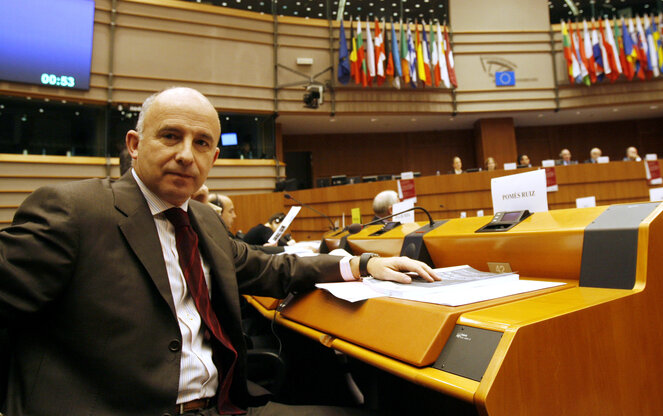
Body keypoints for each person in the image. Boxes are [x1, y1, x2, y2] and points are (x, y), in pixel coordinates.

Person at [0, 87, 438, 416]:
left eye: (202, 143)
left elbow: (271, 268)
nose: (186, 156)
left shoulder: (203, 219)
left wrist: (364, 262)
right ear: (134, 145)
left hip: (222, 405)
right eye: (170, 136)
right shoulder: (73, 210)